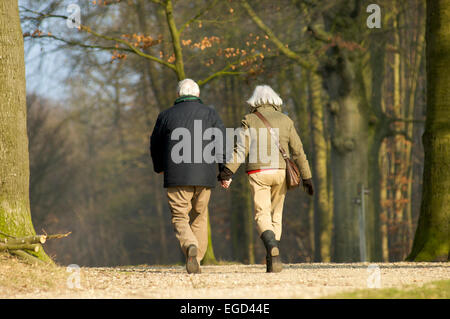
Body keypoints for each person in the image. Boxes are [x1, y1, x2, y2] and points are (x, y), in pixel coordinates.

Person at [218, 85, 314, 273]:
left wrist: (227, 172)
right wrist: (307, 177)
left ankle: (271, 248)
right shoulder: (286, 120)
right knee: (276, 214)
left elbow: (241, 150)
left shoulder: (249, 120)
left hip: (258, 172)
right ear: (275, 100)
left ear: (254, 102)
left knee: (262, 213)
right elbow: (298, 151)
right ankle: (273, 256)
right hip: (280, 172)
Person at [150, 79, 225, 274]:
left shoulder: (165, 115)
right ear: (198, 95)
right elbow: (221, 142)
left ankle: (190, 245)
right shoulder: (210, 114)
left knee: (180, 216)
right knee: (199, 216)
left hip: (177, 176)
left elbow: (155, 145)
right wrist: (224, 171)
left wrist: (159, 167)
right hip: (205, 177)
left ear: (178, 95)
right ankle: (196, 259)